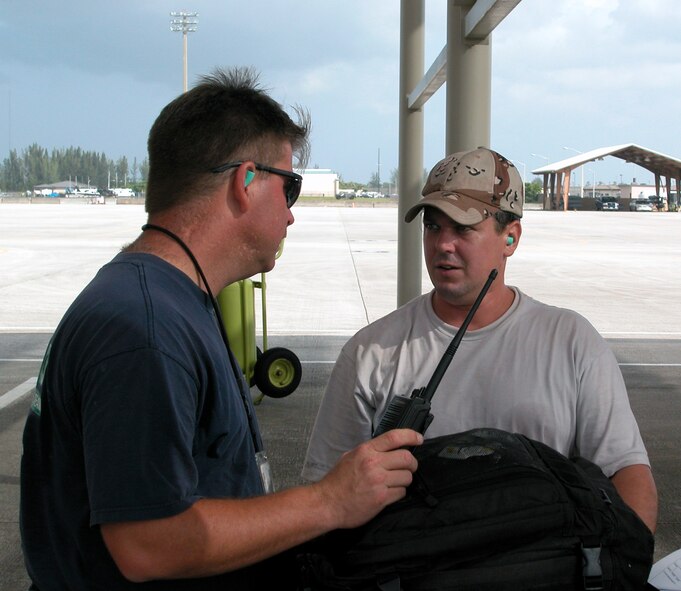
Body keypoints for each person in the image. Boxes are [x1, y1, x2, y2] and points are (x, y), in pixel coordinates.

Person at [19, 67, 423, 590]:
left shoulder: (163, 302)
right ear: (246, 181)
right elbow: (149, 544)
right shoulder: (145, 329)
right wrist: (331, 501)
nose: (292, 215)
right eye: (290, 187)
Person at [302, 147, 658, 533]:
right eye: (433, 226)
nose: (442, 245)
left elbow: (625, 469)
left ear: (511, 238)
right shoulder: (371, 351)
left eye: (463, 227)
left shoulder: (572, 342)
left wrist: (624, 564)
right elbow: (326, 491)